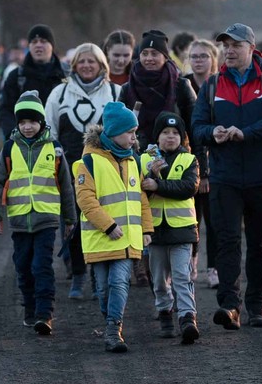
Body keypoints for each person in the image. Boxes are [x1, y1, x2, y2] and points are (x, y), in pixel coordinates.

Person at [191, 23, 262, 329]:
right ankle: (230, 306)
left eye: (235, 46)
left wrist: (245, 133)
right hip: (225, 176)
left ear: (251, 48)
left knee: (259, 243)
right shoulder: (211, 86)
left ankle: (256, 307)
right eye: (225, 46)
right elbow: (196, 127)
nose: (229, 51)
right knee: (228, 240)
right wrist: (213, 132)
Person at [0, 90, 77, 334]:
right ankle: (30, 307)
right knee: (23, 266)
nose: (28, 127)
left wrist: (70, 219)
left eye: (33, 121)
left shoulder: (54, 149)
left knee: (41, 266)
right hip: (19, 221)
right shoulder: (9, 149)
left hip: (46, 220)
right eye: (23, 122)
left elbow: (66, 186)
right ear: (17, 123)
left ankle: (44, 314)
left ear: (41, 122)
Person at [118, 29, 196, 286]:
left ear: (165, 56)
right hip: (136, 155)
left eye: (155, 53)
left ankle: (179, 268)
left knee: (175, 211)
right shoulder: (128, 88)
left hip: (177, 157)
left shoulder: (181, 85)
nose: (149, 58)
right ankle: (141, 264)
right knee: (138, 207)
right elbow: (118, 126)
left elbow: (194, 125)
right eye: (144, 53)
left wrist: (201, 166)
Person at [74, 102, 154, 352]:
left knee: (120, 282)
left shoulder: (132, 161)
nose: (134, 137)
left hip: (127, 239)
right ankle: (110, 320)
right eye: (129, 132)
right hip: (100, 238)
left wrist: (147, 229)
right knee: (103, 289)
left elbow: (140, 198)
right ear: (114, 132)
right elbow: (85, 200)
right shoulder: (88, 162)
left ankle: (113, 329)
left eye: (135, 132)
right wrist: (108, 226)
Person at [44, 43, 121, 298]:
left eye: (93, 61)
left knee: (105, 221)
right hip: (70, 172)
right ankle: (78, 275)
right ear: (74, 64)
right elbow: (49, 130)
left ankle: (102, 278)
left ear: (102, 66)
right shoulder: (60, 93)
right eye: (82, 61)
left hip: (108, 172)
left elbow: (127, 132)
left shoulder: (115, 91)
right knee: (74, 224)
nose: (87, 66)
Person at [141, 112, 200, 344]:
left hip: (182, 228)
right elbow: (139, 188)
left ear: (182, 137)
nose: (170, 137)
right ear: (157, 136)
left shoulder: (189, 160)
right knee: (158, 278)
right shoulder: (144, 159)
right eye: (165, 133)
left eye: (175, 133)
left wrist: (159, 184)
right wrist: (150, 177)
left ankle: (187, 317)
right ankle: (165, 311)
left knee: (181, 275)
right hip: (154, 230)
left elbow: (188, 187)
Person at [184, 39, 220, 289]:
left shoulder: (219, 86)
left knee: (214, 219)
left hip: (214, 162)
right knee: (190, 216)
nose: (198, 60)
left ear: (212, 59)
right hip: (186, 161)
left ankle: (214, 268)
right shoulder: (182, 85)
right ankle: (191, 262)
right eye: (194, 56)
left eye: (203, 56)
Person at [0, 25, 68, 137]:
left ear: (52, 46)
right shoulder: (17, 76)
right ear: (29, 46)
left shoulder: (67, 75)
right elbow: (5, 110)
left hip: (60, 143)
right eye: (34, 42)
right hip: (26, 143)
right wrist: (14, 137)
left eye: (43, 41)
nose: (38, 45)